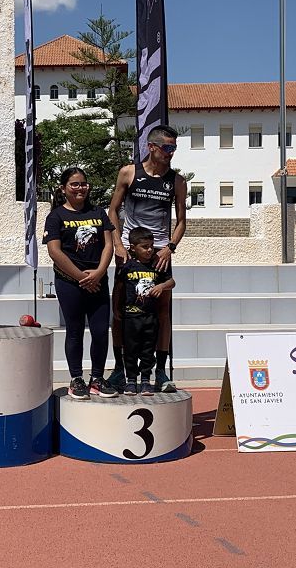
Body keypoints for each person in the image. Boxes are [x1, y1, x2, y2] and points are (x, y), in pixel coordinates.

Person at [108, 124, 187, 392]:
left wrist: (170, 248)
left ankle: (161, 372)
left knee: (162, 314)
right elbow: (113, 211)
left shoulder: (177, 181)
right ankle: (120, 369)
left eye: (174, 148)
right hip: (129, 252)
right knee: (119, 312)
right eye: (167, 148)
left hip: (160, 253)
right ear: (152, 147)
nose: (171, 153)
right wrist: (118, 244)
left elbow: (182, 222)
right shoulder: (129, 173)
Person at [42, 168, 118, 400]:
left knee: (100, 331)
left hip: (98, 281)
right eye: (74, 184)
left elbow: (108, 245)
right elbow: (54, 251)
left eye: (83, 184)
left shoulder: (98, 212)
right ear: (64, 188)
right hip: (70, 283)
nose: (80, 188)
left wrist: (98, 273)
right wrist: (81, 277)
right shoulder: (55, 216)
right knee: (74, 331)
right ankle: (76, 379)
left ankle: (97, 378)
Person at [115, 227, 175, 396]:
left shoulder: (157, 265)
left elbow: (172, 282)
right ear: (133, 248)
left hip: (150, 317)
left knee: (148, 351)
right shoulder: (127, 266)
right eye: (145, 247)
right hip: (131, 316)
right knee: (131, 350)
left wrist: (161, 286)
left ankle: (146, 381)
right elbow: (119, 289)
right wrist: (116, 309)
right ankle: (131, 381)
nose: (149, 250)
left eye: (151, 246)